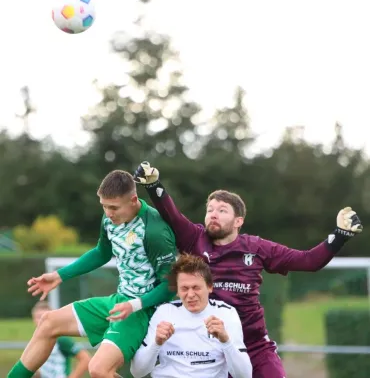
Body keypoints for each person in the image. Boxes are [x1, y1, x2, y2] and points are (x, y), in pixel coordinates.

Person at [133, 161, 363, 378]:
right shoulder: (195, 239)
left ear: (238, 221)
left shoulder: (257, 247)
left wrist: (340, 236)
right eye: (210, 209)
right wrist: (154, 185)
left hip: (253, 344)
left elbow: (308, 261)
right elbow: (173, 216)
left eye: (222, 210)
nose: (213, 213)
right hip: (211, 348)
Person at [8, 170, 177, 378]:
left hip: (142, 311)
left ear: (133, 200)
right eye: (104, 206)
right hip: (119, 302)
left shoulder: (154, 231)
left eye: (113, 207)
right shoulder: (110, 219)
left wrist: (133, 305)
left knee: (98, 369)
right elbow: (101, 253)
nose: (108, 213)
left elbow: (171, 286)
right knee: (48, 322)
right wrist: (59, 275)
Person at [130, 253, 252, 378]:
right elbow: (137, 372)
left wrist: (225, 340)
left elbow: (244, 375)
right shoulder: (164, 312)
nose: (190, 294)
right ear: (177, 291)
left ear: (209, 287)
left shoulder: (226, 313)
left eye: (196, 287)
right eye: (184, 288)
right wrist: (156, 343)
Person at [31, 301, 90, 378]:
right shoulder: (35, 341)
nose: (41, 321)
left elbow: (85, 359)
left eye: (45, 317)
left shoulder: (61, 339)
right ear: (33, 319)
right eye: (39, 317)